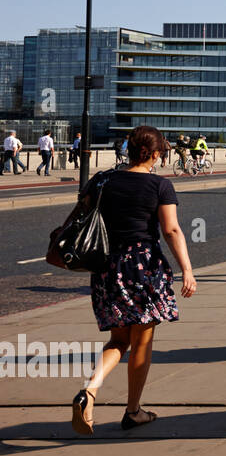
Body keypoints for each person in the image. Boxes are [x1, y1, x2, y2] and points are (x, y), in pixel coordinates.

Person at [70, 126, 197, 435]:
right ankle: (133, 411)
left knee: (118, 339)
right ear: (155, 154)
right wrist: (187, 269)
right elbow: (171, 230)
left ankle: (90, 391)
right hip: (143, 266)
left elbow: (79, 216)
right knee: (142, 340)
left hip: (107, 266)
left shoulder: (101, 180)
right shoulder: (159, 185)